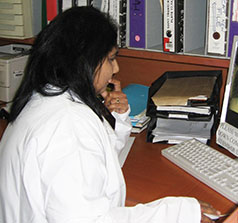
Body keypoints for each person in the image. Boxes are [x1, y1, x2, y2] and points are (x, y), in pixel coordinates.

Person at [0, 6, 220, 223]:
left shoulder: (43, 97)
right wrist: (178, 212)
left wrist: (120, 119)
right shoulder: (68, 123)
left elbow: (91, 165)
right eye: (111, 59)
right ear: (85, 59)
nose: (115, 69)